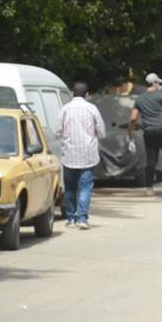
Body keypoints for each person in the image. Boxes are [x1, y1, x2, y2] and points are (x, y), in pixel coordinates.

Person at [56, 82, 106, 230]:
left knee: (70, 188)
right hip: (87, 155)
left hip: (69, 155)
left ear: (72, 94)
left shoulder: (65, 109)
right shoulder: (92, 109)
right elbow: (101, 132)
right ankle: (83, 219)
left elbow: (57, 131)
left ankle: (71, 218)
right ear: (87, 94)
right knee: (85, 187)